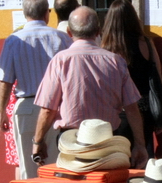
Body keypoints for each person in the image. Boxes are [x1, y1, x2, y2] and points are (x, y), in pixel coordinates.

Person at [32, 6, 148, 169]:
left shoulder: (60, 61)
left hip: (71, 141)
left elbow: (47, 109)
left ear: (69, 32)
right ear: (98, 31)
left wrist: (38, 141)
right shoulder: (115, 61)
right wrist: (140, 145)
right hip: (107, 141)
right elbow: (131, 107)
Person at [0, 0, 72, 179]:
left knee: (28, 168)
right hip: (57, 107)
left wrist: (2, 112)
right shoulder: (61, 38)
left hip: (27, 106)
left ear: (24, 13)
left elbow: (5, 81)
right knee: (57, 165)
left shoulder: (13, 40)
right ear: (47, 13)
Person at [101, 0, 162, 159]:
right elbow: (158, 77)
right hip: (143, 110)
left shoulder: (107, 48)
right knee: (144, 158)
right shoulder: (146, 43)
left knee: (118, 160)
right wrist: (160, 112)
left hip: (117, 112)